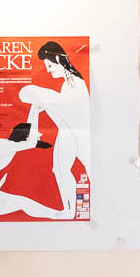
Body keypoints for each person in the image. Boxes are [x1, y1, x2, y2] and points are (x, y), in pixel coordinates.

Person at [17, 41, 89, 213]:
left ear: (58, 58)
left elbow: (71, 114)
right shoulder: (68, 84)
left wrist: (41, 110)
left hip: (76, 133)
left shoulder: (76, 84)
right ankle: (70, 210)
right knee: (59, 169)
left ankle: (72, 210)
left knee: (74, 168)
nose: (48, 70)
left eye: (49, 65)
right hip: (69, 132)